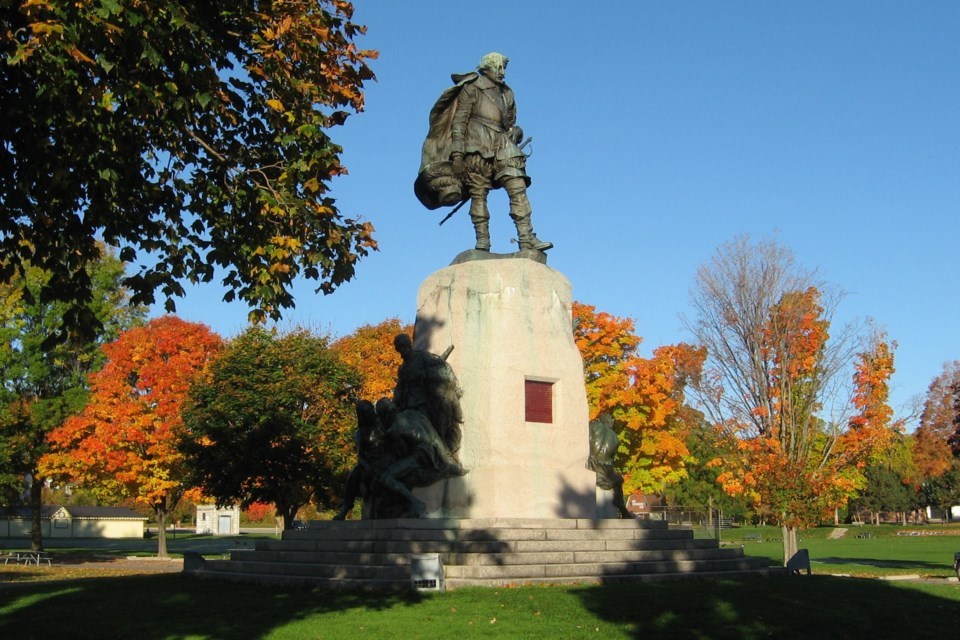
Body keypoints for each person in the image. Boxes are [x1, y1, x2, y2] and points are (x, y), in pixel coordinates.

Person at [415, 52, 552, 253]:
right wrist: (458, 155)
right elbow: (459, 123)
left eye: (504, 68)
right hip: (476, 145)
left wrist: (516, 132)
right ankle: (483, 242)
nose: (502, 73)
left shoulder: (507, 94)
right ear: (486, 69)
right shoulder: (472, 88)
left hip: (503, 144)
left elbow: (509, 124)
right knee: (478, 194)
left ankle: (527, 238)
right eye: (499, 68)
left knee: (518, 186)